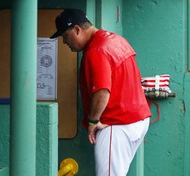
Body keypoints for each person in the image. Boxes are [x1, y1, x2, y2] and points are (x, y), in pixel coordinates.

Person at [50, 9, 152, 176]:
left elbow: (102, 91)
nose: (64, 42)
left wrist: (92, 121)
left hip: (116, 124)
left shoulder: (96, 50)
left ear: (77, 29)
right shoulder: (116, 40)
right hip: (137, 120)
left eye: (65, 36)